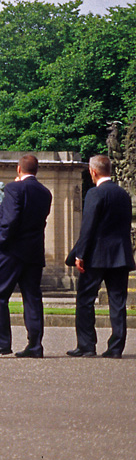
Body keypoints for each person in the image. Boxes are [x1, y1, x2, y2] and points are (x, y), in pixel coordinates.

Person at [0, 153, 53, 358]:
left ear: (19, 170)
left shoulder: (13, 188)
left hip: (10, 252)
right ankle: (35, 346)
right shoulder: (45, 192)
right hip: (34, 252)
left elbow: (9, 220)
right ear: (36, 171)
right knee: (32, 298)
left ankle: (0, 343)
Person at [66, 154, 134, 359]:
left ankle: (87, 345)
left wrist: (80, 254)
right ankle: (116, 348)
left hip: (96, 256)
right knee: (117, 302)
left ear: (93, 172)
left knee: (85, 300)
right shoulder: (123, 194)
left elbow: (88, 228)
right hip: (120, 256)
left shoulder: (95, 194)